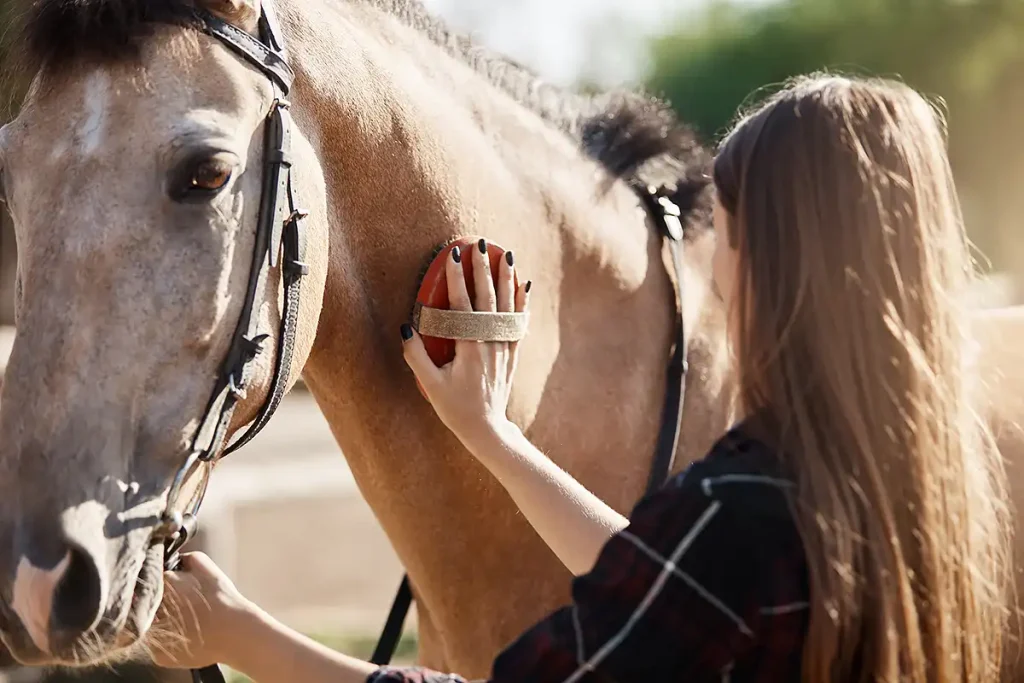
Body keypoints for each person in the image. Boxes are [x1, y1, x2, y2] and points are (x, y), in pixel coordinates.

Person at [148, 73, 1011, 682]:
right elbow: (670, 579)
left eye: (731, 234)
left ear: (782, 264)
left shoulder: (739, 507)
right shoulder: (947, 485)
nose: (714, 268)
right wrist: (493, 434)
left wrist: (245, 636)